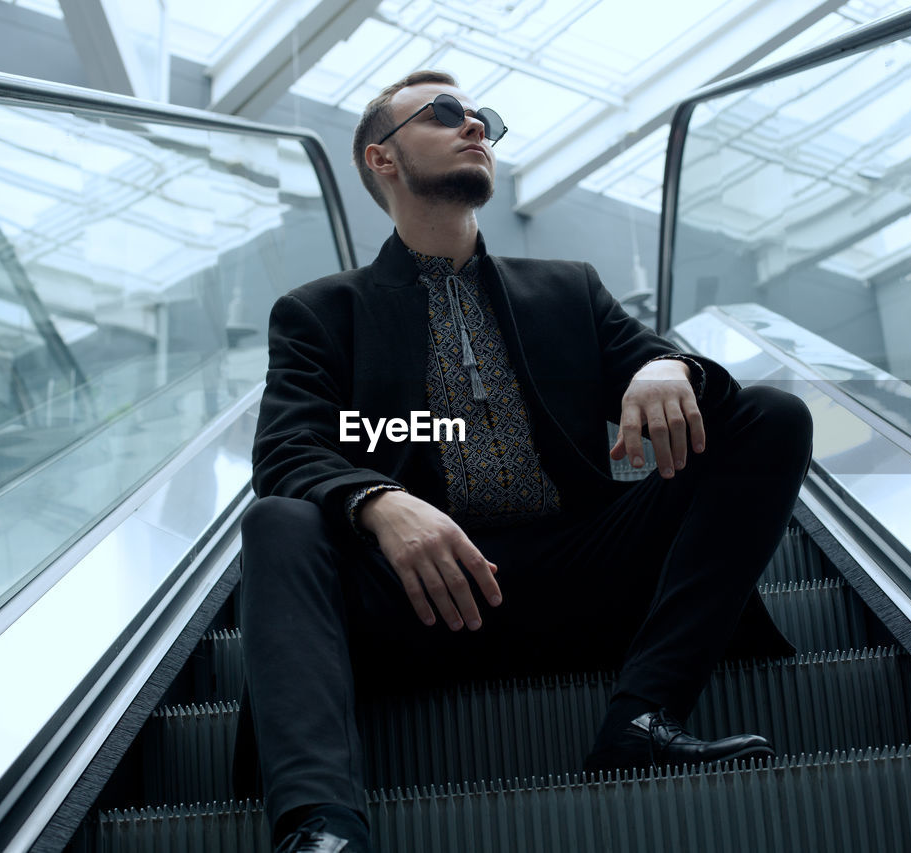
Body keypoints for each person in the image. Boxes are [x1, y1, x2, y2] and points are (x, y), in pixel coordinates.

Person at [236, 70, 814, 853]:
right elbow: (287, 448)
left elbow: (671, 377)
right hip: (416, 600)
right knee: (279, 521)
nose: (475, 126)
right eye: (445, 114)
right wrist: (378, 497)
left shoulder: (567, 290)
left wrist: (667, 366)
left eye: (484, 118)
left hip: (583, 571)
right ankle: (321, 827)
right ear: (381, 158)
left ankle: (641, 717)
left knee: (772, 416)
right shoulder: (320, 314)